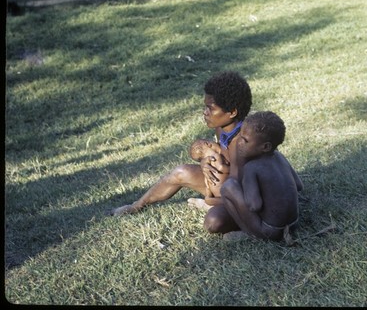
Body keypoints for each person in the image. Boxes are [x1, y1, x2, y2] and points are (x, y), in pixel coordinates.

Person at [109, 71, 252, 235]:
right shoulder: (222, 127)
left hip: (244, 198)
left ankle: (248, 229)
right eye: (205, 106)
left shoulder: (246, 140)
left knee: (214, 222)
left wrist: (211, 200)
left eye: (210, 108)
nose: (205, 112)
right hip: (223, 187)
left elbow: (246, 188)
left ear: (232, 112)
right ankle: (136, 205)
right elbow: (222, 158)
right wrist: (206, 163)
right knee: (181, 172)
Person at [220, 111, 303, 241]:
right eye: (240, 136)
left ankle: (249, 233)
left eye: (245, 140)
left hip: (271, 231)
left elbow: (254, 205)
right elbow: (298, 185)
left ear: (265, 147)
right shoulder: (280, 157)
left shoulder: (251, 167)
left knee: (228, 187)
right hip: (294, 224)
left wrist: (244, 189)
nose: (239, 142)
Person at [189, 139, 229, 207]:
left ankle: (209, 202)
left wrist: (208, 196)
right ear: (208, 144)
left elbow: (207, 185)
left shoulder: (206, 170)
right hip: (226, 191)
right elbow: (220, 168)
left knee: (208, 199)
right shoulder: (215, 156)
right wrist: (233, 169)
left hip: (216, 195)